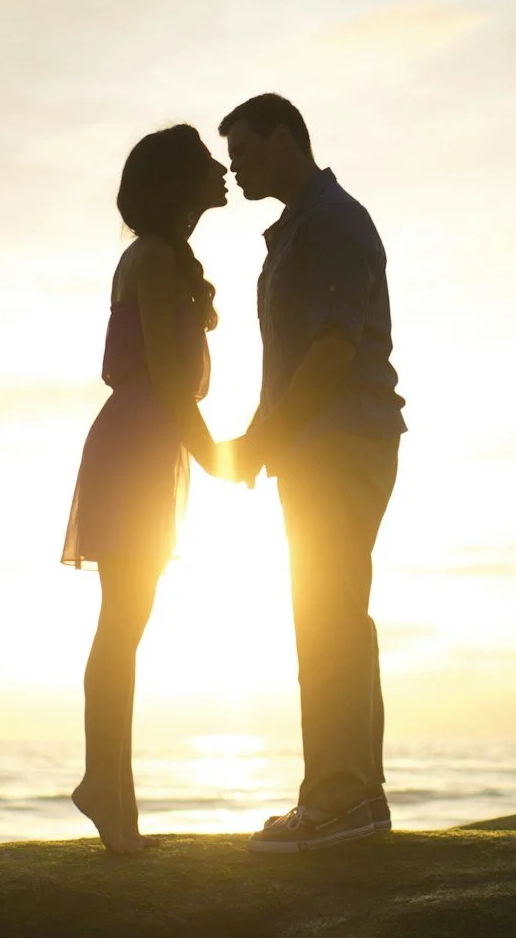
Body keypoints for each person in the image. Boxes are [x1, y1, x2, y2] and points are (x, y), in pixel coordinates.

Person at [214, 93, 406, 853]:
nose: (237, 170)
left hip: (340, 440)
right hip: (323, 442)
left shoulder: (330, 221)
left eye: (248, 154)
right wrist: (267, 436)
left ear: (287, 139)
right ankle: (357, 796)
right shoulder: (301, 227)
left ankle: (336, 800)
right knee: (336, 613)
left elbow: (330, 348)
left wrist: (265, 438)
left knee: (328, 615)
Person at [62, 123, 237, 853]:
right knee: (123, 624)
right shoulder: (157, 260)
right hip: (139, 442)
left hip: (145, 442)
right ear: (179, 182)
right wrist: (223, 460)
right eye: (207, 164)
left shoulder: (163, 257)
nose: (223, 171)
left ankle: (112, 794)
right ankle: (107, 790)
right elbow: (169, 378)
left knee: (126, 623)